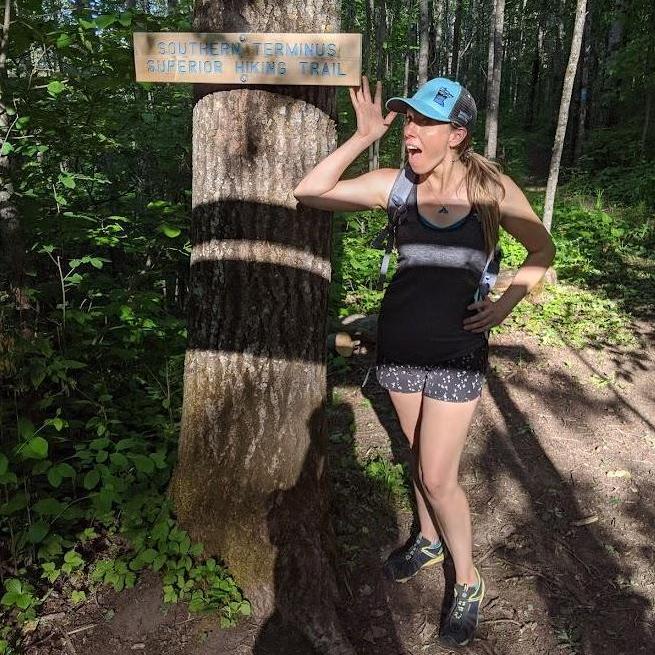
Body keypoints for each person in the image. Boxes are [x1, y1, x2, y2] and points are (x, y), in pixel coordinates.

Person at [293, 76, 555, 647]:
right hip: (401, 346)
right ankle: (430, 541)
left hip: (457, 353)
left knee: (438, 475)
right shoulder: (396, 187)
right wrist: (363, 137)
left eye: (424, 122)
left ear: (456, 134)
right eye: (407, 119)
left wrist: (505, 304)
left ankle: (468, 578)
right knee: (416, 455)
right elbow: (309, 190)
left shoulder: (490, 190)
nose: (409, 130)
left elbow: (542, 248)